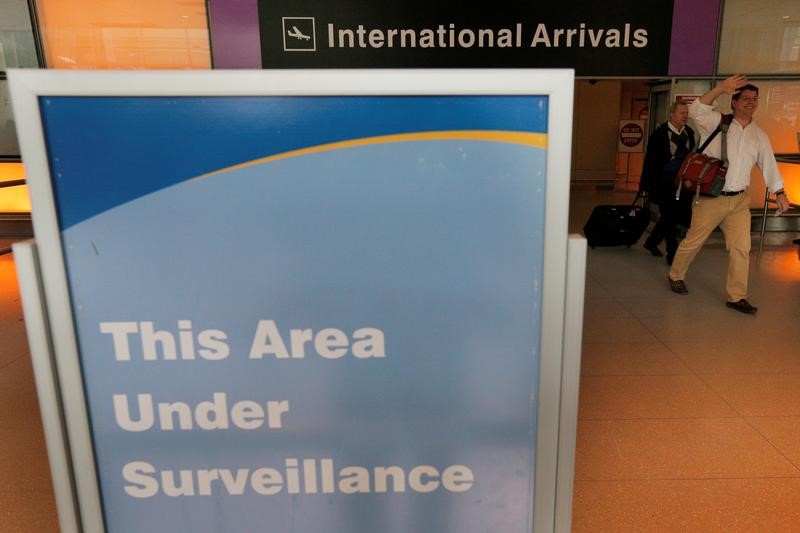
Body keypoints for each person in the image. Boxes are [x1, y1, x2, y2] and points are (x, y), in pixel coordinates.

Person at [667, 74, 791, 314]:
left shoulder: (759, 135)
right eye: (745, 98)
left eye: (754, 98)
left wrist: (780, 192)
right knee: (694, 240)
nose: (751, 102)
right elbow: (696, 109)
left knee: (741, 248)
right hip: (711, 198)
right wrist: (721, 88)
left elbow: (769, 164)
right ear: (734, 101)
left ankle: (736, 296)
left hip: (739, 201)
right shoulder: (716, 122)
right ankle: (676, 275)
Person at [641, 100, 695, 265]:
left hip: (683, 183)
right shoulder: (659, 135)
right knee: (669, 216)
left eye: (686, 113)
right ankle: (672, 252)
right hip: (663, 182)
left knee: (671, 216)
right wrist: (645, 185)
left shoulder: (689, 133)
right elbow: (650, 162)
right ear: (671, 114)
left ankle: (651, 242)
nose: (685, 116)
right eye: (681, 113)